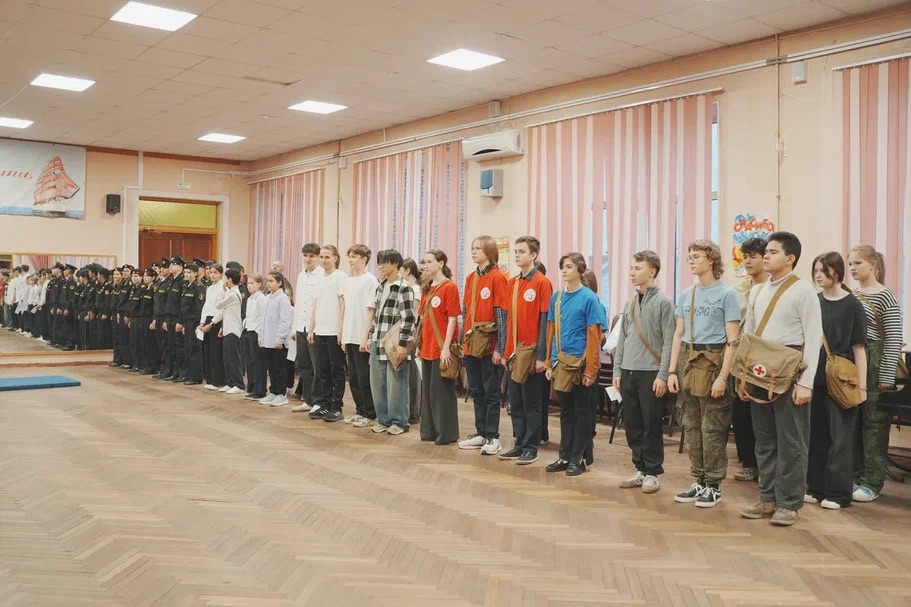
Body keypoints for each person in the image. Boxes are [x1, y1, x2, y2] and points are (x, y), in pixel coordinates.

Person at [738, 231, 822, 527]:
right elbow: (748, 337)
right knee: (764, 440)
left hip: (791, 373)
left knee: (791, 442)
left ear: (790, 258)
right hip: (760, 372)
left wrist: (806, 382)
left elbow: (813, 339)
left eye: (773, 252)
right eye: (766, 252)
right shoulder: (757, 291)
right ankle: (767, 498)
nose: (766, 256)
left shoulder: (804, 291)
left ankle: (788, 503)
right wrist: (744, 378)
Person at [667, 240, 740, 508]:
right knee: (690, 424)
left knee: (713, 426)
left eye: (696, 256)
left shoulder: (727, 295)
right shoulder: (686, 295)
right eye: (689, 256)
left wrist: (722, 377)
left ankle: (714, 484)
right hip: (688, 359)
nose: (691, 260)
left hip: (713, 359)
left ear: (711, 259)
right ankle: (698, 479)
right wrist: (671, 371)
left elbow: (733, 340)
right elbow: (678, 333)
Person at [805, 252, 867, 510]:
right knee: (816, 434)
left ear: (837, 273)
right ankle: (815, 487)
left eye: (824, 271)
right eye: (816, 271)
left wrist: (862, 386)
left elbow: (859, 348)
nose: (818, 276)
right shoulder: (814, 301)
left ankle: (839, 493)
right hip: (815, 375)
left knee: (841, 437)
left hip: (842, 378)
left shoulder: (852, 305)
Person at [613, 250, 676, 494]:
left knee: (651, 424)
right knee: (632, 423)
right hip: (628, 371)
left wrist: (663, 375)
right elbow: (622, 339)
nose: (632, 272)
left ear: (652, 271)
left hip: (651, 372)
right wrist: (617, 370)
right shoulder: (629, 303)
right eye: (631, 268)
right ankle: (639, 468)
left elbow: (669, 341)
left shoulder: (664, 303)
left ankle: (652, 472)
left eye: (638, 268)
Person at [848, 245, 904, 503]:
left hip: (876, 360)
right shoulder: (852, 294)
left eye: (857, 263)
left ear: (873, 264)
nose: (852, 268)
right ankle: (854, 475)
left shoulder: (885, 296)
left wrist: (886, 378)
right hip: (854, 360)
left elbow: (893, 339)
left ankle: (872, 481)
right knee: (853, 422)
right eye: (850, 263)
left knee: (874, 424)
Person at [544, 253, 607, 476]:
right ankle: (564, 455)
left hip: (581, 365)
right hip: (561, 363)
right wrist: (549, 362)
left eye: (569, 266)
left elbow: (595, 337)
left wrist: (591, 369)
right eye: (562, 266)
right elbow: (551, 332)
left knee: (582, 412)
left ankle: (577, 458)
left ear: (580, 269)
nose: (564, 270)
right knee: (565, 411)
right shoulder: (557, 298)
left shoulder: (589, 299)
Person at [498, 236, 553, 466]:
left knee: (532, 402)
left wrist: (542, 357)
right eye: (516, 251)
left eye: (522, 251)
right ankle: (519, 443)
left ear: (533, 255)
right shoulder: (512, 283)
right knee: (516, 402)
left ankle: (531, 447)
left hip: (531, 352)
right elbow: (505, 319)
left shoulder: (542, 283)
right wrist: (504, 351)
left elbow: (545, 323)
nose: (517, 255)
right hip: (513, 352)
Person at [459, 236, 508, 455]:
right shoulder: (471, 278)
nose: (473, 251)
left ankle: (492, 436)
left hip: (489, 346)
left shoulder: (498, 277)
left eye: (478, 248)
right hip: (471, 345)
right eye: (472, 248)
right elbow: (465, 311)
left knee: (491, 392)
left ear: (489, 251)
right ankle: (480, 432)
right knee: (476, 390)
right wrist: (464, 341)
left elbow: (501, 316)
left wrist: (499, 348)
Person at [365, 249, 417, 435]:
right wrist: (370, 336)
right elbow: (377, 316)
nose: (381, 266)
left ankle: (399, 422)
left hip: (395, 344)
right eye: (379, 262)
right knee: (378, 384)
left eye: (385, 262)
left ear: (395, 264)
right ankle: (383, 420)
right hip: (378, 341)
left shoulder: (404, 288)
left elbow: (409, 318)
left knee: (397, 384)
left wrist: (402, 344)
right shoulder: (380, 286)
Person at [732, 237, 768, 482]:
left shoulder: (773, 288)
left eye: (753, 257)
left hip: (765, 357)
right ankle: (748, 462)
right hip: (740, 356)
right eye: (745, 257)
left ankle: (766, 465)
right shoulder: (739, 290)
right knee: (741, 412)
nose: (748, 261)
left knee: (763, 413)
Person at [418, 249, 461, 445]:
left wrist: (446, 347)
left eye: (429, 262)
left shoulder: (449, 287)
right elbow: (422, 318)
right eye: (424, 262)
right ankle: (429, 431)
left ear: (441, 263)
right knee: (427, 391)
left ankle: (446, 433)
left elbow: (452, 319)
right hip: (426, 346)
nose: (425, 265)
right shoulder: (427, 288)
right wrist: (419, 343)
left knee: (441, 392)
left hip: (441, 347)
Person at [307, 245, 348, 422]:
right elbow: (315, 305)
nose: (324, 260)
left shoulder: (340, 277)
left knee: (336, 370)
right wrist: (311, 329)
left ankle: (336, 407)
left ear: (335, 258)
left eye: (327, 257)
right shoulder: (319, 278)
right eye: (322, 257)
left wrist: (340, 330)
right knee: (322, 370)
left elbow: (343, 305)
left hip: (334, 332)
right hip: (320, 331)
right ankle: (323, 404)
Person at [341, 244, 380, 426]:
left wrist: (366, 337)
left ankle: (370, 413)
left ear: (364, 259)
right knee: (353, 377)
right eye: (349, 256)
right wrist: (344, 336)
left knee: (364, 377)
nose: (350, 260)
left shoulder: (370, 280)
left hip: (361, 336)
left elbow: (371, 310)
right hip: (349, 335)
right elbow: (346, 310)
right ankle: (360, 410)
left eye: (354, 256)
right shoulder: (348, 282)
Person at [291, 243, 324, 413]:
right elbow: (298, 303)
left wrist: (314, 327)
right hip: (301, 326)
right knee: (304, 365)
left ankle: (319, 401)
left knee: (317, 365)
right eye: (305, 255)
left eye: (311, 256)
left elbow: (320, 304)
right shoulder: (300, 276)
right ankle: (308, 400)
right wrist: (294, 327)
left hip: (315, 328)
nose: (308, 259)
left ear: (318, 257)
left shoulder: (322, 275)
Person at [258, 272, 293, 407]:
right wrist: (261, 336)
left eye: (271, 281)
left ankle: (281, 394)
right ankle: (273, 391)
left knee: (280, 368)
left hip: (278, 341)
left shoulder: (283, 299)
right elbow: (263, 320)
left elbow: (285, 321)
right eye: (268, 281)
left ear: (279, 283)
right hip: (267, 339)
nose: (268, 283)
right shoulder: (267, 298)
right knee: (271, 367)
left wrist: (280, 339)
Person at [210, 268, 244, 395]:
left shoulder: (233, 293)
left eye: (226, 278)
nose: (225, 281)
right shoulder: (230, 292)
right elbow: (224, 312)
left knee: (234, 359)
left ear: (230, 279)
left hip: (233, 330)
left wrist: (222, 292)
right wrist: (222, 328)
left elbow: (218, 305)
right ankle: (230, 383)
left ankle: (238, 384)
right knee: (227, 358)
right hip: (227, 328)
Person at [400, 258, 422, 424]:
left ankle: (413, 411)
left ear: (407, 270)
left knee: (412, 375)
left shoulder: (415, 290)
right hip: (406, 334)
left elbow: (414, 315)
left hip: (412, 334)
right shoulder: (406, 288)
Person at [200, 263, 226, 391]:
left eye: (215, 272)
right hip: (208, 318)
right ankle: (210, 379)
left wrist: (212, 323)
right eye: (211, 272)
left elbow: (221, 309)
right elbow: (206, 305)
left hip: (217, 320)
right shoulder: (210, 288)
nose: (212, 275)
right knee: (208, 351)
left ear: (221, 274)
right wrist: (202, 321)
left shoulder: (223, 287)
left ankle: (218, 380)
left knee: (216, 351)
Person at [180, 263, 206, 385]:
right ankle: (189, 374)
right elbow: (183, 307)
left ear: (195, 273)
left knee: (194, 349)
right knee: (188, 349)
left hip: (194, 322)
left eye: (189, 272)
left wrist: (197, 325)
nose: (186, 274)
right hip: (187, 321)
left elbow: (199, 308)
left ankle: (196, 376)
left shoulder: (199, 288)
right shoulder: (186, 286)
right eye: (185, 272)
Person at [242, 274, 267, 401]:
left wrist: (260, 335)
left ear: (259, 284)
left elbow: (262, 318)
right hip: (248, 330)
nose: (249, 286)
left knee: (258, 362)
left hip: (256, 332)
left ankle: (260, 390)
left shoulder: (261, 299)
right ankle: (251, 388)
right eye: (248, 283)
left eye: (252, 283)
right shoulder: (250, 299)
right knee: (250, 361)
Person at [164, 255, 187, 382]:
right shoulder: (171, 281)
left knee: (180, 347)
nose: (170, 266)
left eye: (173, 264)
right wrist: (166, 319)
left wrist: (180, 321)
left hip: (178, 318)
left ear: (180, 267)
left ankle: (182, 372)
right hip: (170, 317)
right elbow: (168, 303)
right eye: (170, 264)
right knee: (171, 346)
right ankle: (173, 371)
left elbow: (182, 304)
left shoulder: (182, 282)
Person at [152, 259, 172, 377]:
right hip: (158, 315)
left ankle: (167, 369)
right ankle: (162, 367)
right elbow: (156, 302)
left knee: (166, 345)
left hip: (165, 316)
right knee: (160, 344)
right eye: (161, 267)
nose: (162, 270)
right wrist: (154, 318)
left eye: (165, 267)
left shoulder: (169, 282)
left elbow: (167, 303)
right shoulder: (159, 282)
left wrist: (166, 319)